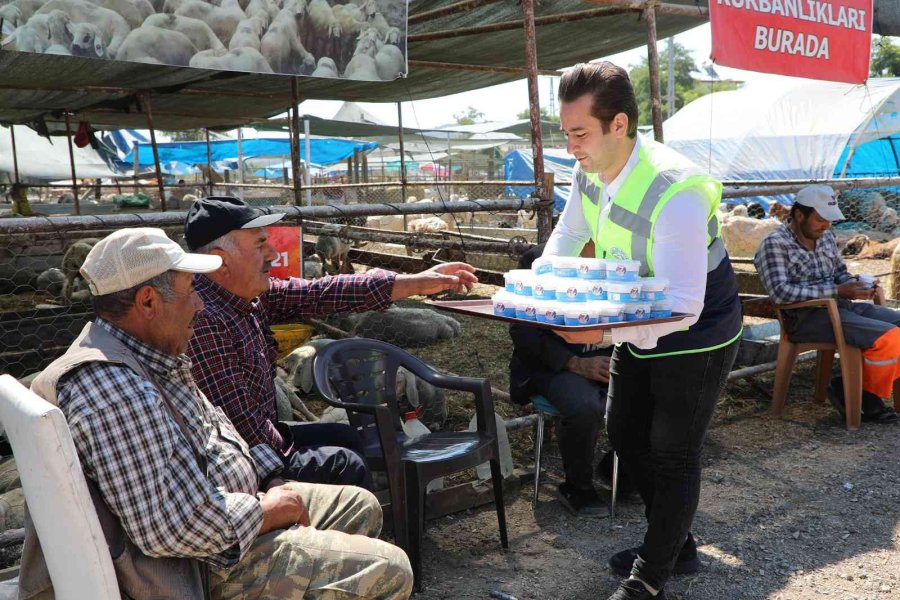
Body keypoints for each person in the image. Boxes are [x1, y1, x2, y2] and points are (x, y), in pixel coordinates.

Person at [21, 227, 412, 599]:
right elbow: (169, 527)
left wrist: (269, 476)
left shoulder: (149, 355)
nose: (200, 303)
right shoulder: (115, 389)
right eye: (190, 290)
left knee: (358, 505)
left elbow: (214, 434)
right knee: (390, 568)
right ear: (148, 302)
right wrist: (264, 511)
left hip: (221, 514)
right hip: (195, 567)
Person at [545, 62, 743, 600]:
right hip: (635, 313)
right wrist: (542, 293)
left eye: (579, 133)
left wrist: (600, 333)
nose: (571, 147)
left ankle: (651, 576)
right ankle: (675, 544)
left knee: (673, 449)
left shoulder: (675, 188)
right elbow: (568, 234)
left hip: (697, 324)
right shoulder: (589, 170)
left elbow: (681, 306)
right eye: (566, 133)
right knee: (626, 431)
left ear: (619, 125)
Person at [183, 196, 478, 488]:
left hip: (265, 438)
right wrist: (275, 481)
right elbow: (240, 425)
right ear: (222, 260)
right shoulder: (204, 320)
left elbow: (321, 292)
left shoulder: (244, 296)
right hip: (239, 460)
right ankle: (347, 514)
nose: (272, 253)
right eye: (260, 244)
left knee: (349, 438)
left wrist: (417, 282)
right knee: (345, 464)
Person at [754, 184, 900, 423]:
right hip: (804, 318)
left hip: (839, 308)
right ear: (799, 215)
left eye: (829, 220)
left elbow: (839, 273)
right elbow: (780, 293)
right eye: (821, 220)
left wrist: (857, 284)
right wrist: (837, 290)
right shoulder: (775, 244)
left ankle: (852, 388)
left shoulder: (826, 237)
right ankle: (863, 398)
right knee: (889, 337)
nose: (826, 226)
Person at [508, 244, 634, 516]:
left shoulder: (618, 258)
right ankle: (577, 486)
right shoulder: (540, 260)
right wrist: (574, 363)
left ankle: (618, 471)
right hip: (551, 366)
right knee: (585, 405)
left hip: (606, 359)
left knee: (649, 393)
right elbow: (523, 331)